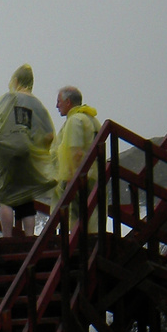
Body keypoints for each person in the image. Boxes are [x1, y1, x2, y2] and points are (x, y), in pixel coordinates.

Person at [0, 64, 56, 236]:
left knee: (5, 197)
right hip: (26, 153)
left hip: (4, 152)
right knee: (26, 198)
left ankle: (7, 236)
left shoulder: (7, 99)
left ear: (15, 80)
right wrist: (36, 147)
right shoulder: (36, 104)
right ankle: (29, 237)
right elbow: (49, 134)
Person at [51, 86, 100, 227]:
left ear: (68, 102)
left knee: (75, 215)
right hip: (94, 174)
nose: (56, 106)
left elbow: (75, 151)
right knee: (91, 214)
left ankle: (76, 243)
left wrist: (72, 178)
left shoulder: (75, 121)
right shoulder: (92, 120)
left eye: (59, 101)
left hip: (78, 176)